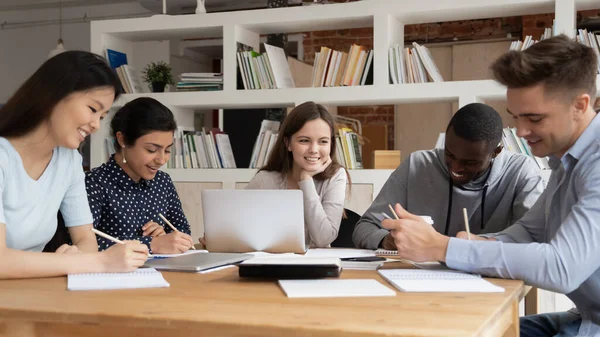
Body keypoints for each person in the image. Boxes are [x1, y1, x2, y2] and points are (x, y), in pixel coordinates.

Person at [382, 35, 599, 337]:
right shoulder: (566, 161)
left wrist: (441, 247)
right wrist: (475, 243)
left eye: (534, 118)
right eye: (516, 117)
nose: (521, 131)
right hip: (585, 316)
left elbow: (562, 268)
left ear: (580, 105)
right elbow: (529, 231)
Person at [0, 51, 149, 279]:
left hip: (27, 293)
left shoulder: (69, 161)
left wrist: (79, 257)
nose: (96, 125)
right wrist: (97, 262)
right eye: (92, 109)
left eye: (102, 116)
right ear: (54, 95)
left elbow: (85, 238)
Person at [353, 103, 545, 250]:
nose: (456, 167)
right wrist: (386, 240)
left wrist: (480, 243)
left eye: (470, 162)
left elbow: (536, 238)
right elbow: (364, 227)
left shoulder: (521, 172)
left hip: (489, 284)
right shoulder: (417, 165)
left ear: (497, 151)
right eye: (450, 155)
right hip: (418, 284)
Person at [86, 97, 194, 254]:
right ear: (122, 139)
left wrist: (167, 237)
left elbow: (183, 232)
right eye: (151, 150)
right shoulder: (95, 183)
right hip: (111, 276)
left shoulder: (162, 182)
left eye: (168, 150)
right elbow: (80, 244)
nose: (162, 159)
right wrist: (151, 243)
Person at [245, 101, 348, 248]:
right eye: (304, 140)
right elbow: (239, 229)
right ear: (288, 143)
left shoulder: (336, 176)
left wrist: (306, 181)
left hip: (316, 266)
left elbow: (323, 239)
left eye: (323, 141)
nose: (314, 149)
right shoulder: (264, 180)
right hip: (271, 264)